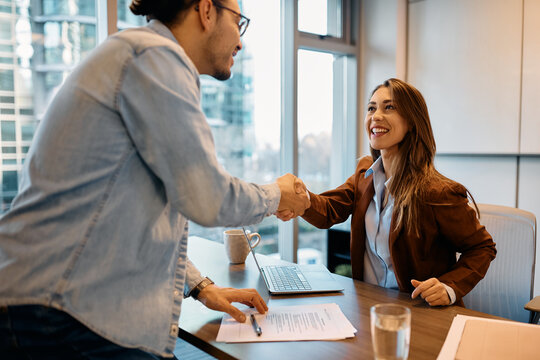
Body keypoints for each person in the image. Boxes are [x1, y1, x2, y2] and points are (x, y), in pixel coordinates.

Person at [0, 0, 310, 359]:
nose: (240, 43)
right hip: (56, 312)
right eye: (238, 22)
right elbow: (207, 197)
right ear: (207, 10)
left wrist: (201, 287)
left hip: (55, 306)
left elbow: (151, 210)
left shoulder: (140, 55)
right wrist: (277, 195)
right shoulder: (154, 58)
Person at [277, 78, 496, 308]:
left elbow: (482, 247)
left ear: (412, 121)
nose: (376, 116)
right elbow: (329, 210)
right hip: (369, 307)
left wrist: (449, 287)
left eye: (389, 107)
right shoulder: (365, 174)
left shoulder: (439, 192)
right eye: (371, 108)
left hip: (420, 313)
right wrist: (303, 199)